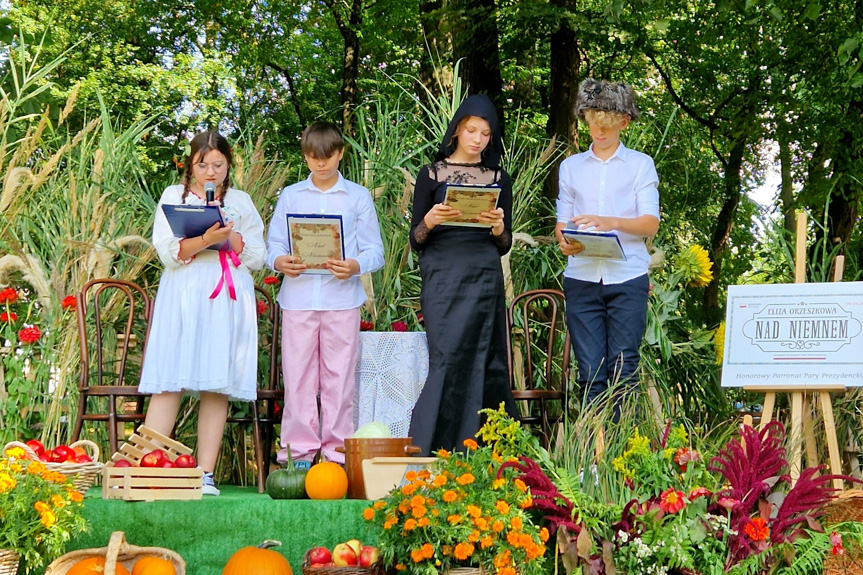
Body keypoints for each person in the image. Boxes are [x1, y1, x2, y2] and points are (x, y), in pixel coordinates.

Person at [141, 130, 266, 496]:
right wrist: (205, 240)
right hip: (184, 292)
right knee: (170, 376)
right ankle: (151, 467)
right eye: (202, 164)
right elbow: (166, 251)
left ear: (228, 165)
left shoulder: (241, 201)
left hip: (226, 297)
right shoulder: (173, 196)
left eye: (218, 165)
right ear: (190, 164)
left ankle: (204, 473)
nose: (210, 172)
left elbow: (257, 255)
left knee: (216, 381)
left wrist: (233, 237)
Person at [267, 121, 384, 469]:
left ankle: (335, 456)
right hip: (298, 299)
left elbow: (375, 251)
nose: (322, 163)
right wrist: (280, 262)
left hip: (342, 300)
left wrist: (354, 265)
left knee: (339, 380)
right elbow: (273, 245)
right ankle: (297, 455)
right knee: (299, 378)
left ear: (341, 153)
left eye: (328, 155)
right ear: (305, 157)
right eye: (314, 157)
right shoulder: (290, 195)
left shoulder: (358, 197)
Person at [407, 94, 518, 456]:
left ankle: (486, 451)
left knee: (487, 357)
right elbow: (416, 239)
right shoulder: (431, 174)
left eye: (486, 133)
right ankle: (435, 448)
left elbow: (505, 243)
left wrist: (499, 227)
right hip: (442, 274)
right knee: (446, 356)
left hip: (484, 274)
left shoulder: (500, 178)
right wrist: (431, 220)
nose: (478, 139)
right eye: (472, 130)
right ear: (457, 129)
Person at [555, 79, 660, 416]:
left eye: (607, 124)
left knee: (624, 369)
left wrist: (610, 221)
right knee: (590, 372)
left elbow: (650, 223)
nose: (598, 130)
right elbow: (563, 221)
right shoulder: (570, 167)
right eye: (591, 122)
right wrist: (564, 241)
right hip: (582, 277)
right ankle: (588, 458)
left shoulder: (640, 165)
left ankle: (621, 456)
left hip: (627, 276)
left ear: (624, 122)